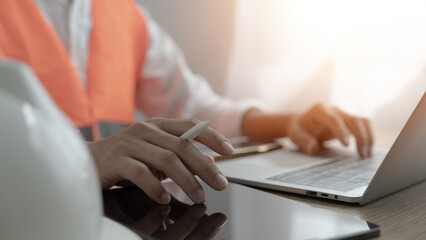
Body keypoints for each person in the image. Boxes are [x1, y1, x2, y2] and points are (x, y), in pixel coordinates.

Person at [0, 0, 373, 205]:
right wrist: (85, 158)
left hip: (120, 218)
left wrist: (284, 122)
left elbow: (193, 104)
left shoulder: (124, 15)